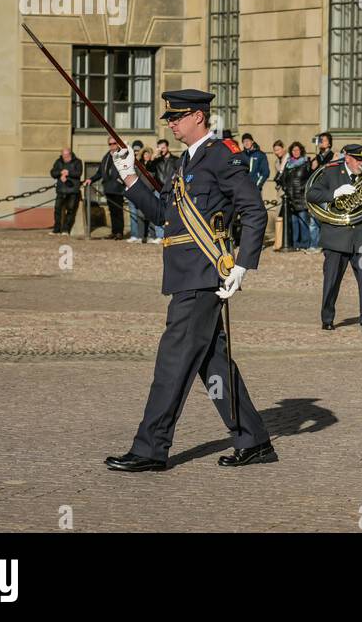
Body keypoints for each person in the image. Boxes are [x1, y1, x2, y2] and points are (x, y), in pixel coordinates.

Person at [103, 88, 274, 472]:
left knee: (172, 362)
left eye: (177, 117)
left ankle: (150, 449)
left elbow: (254, 211)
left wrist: (242, 265)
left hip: (204, 277)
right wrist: (129, 174)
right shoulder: (186, 162)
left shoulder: (220, 157)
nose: (172, 124)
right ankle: (255, 439)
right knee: (213, 365)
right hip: (186, 276)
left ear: (199, 117)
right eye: (170, 119)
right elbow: (162, 213)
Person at [307, 143, 362, 332]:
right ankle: (327, 317)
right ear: (347, 158)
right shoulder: (331, 173)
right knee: (332, 279)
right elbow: (311, 194)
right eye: (358, 160)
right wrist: (334, 193)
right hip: (336, 237)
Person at [84, 138, 127, 239]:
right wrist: (91, 179)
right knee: (112, 211)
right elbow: (100, 172)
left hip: (118, 188)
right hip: (108, 188)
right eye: (110, 144)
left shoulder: (122, 155)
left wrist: (120, 181)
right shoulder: (106, 157)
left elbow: (127, 169)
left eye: (114, 143)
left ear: (118, 144)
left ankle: (119, 232)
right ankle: (114, 231)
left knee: (118, 211)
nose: (112, 145)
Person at [279, 141, 312, 252]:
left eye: (297, 150)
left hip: (301, 197)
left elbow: (310, 179)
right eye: (293, 150)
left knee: (303, 222)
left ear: (301, 151)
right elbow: (282, 178)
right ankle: (295, 243)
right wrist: (285, 188)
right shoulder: (288, 164)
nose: (295, 152)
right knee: (294, 223)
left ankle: (305, 244)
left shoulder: (306, 163)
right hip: (290, 198)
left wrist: (304, 190)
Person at [50, 148, 84, 235]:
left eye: (67, 155)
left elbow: (78, 173)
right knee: (57, 209)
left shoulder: (77, 162)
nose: (65, 157)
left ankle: (66, 229)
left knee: (71, 210)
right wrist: (60, 172)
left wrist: (68, 173)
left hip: (73, 190)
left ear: (70, 154)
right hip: (61, 189)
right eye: (64, 156)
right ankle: (56, 229)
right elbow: (53, 173)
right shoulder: (58, 161)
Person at [126, 140, 148, 242]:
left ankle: (141, 235)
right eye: (134, 150)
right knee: (132, 214)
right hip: (131, 190)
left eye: (138, 151)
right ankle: (134, 235)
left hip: (140, 191)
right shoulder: (129, 161)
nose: (136, 152)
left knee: (141, 215)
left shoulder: (142, 163)